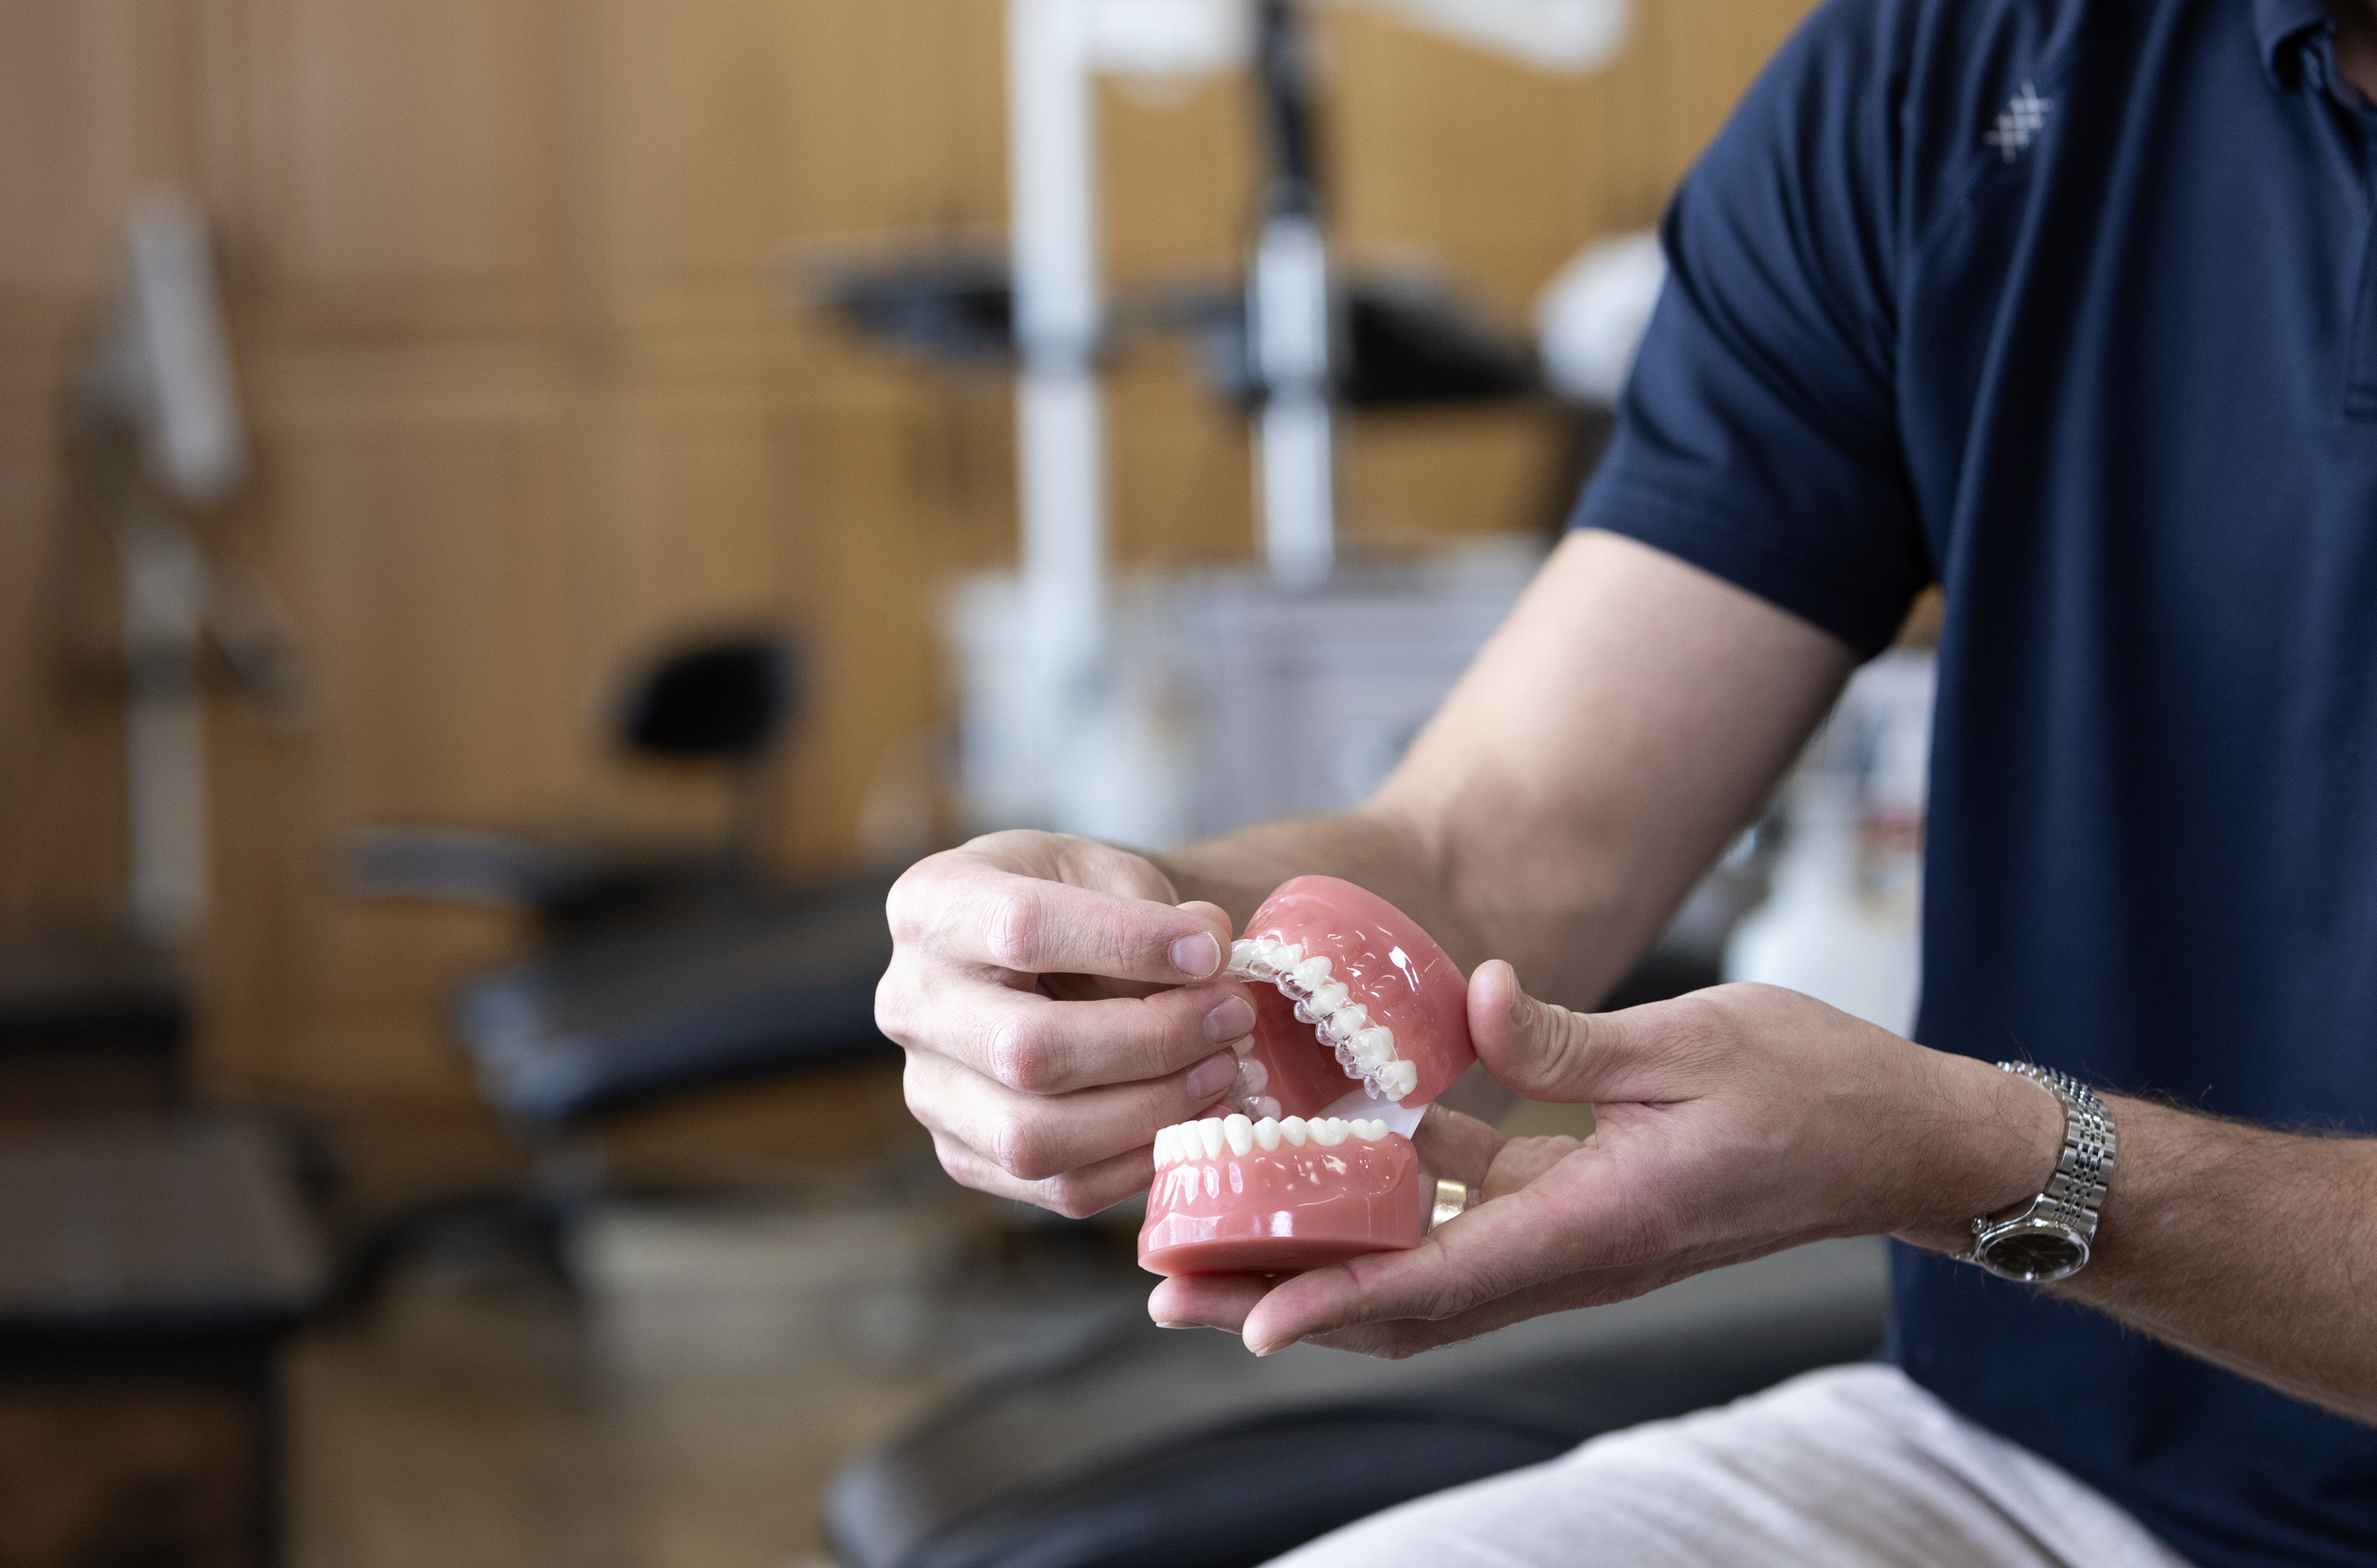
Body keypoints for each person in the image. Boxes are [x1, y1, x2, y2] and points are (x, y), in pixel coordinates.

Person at [875, 0, 2377, 1562]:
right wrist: (1140, 946)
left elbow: (1959, 1152)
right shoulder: (1953, 72)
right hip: (2036, 1473)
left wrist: (1979, 1156)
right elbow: (1510, 832)